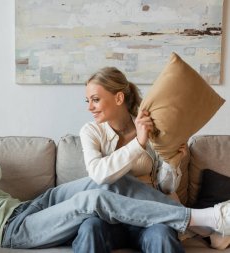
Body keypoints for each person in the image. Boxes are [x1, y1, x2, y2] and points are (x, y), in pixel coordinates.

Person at [0, 113, 230, 253]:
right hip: (12, 232)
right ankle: (201, 219)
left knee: (102, 182)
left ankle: (201, 227)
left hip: (26, 208)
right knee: (93, 202)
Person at [79, 66, 224, 252]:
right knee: (89, 228)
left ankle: (201, 222)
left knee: (161, 235)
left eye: (95, 100)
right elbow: (98, 175)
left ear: (119, 98)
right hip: (108, 218)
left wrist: (173, 162)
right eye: (88, 101)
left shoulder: (150, 128)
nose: (89, 107)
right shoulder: (91, 132)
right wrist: (138, 143)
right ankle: (202, 221)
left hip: (151, 216)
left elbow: (165, 188)